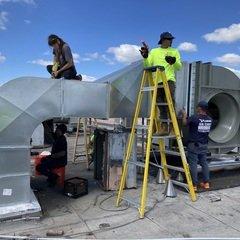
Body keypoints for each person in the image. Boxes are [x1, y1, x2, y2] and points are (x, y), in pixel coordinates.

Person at [140, 32, 182, 135]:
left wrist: (174, 61)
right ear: (163, 40)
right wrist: (145, 56)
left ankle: (174, 128)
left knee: (170, 104)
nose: (171, 41)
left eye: (171, 39)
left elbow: (179, 67)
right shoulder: (154, 51)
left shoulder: (174, 51)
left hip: (169, 80)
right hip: (157, 81)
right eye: (169, 39)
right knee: (160, 105)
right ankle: (164, 128)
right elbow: (147, 65)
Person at [181, 101, 213, 191]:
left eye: (197, 107)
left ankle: (194, 185)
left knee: (193, 165)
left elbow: (184, 123)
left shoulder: (194, 118)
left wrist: (184, 115)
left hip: (194, 146)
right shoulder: (210, 119)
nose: (196, 108)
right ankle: (206, 183)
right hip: (204, 145)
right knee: (204, 163)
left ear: (199, 108)